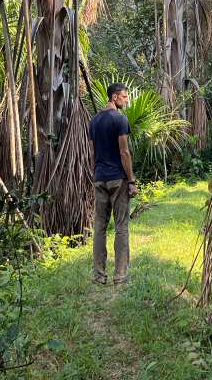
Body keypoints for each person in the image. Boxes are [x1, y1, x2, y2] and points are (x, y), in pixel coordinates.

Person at [88, 82, 137, 285]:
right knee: (121, 227)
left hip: (99, 178)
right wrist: (131, 180)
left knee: (99, 227)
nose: (127, 100)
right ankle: (120, 275)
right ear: (115, 97)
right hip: (118, 178)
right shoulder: (120, 119)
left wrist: (96, 174)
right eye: (125, 97)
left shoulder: (94, 121)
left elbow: (93, 152)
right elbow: (124, 152)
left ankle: (99, 275)